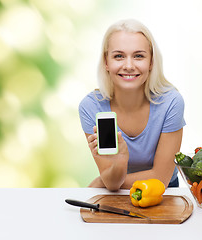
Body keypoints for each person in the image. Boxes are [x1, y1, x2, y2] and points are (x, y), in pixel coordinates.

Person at [79, 19, 185, 191]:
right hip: (115, 192)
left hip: (164, 193)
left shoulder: (171, 102)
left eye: (139, 56)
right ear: (106, 62)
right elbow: (112, 183)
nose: (128, 66)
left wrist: (102, 182)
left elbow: (160, 179)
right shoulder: (91, 107)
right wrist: (120, 159)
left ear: (151, 62)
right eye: (119, 56)